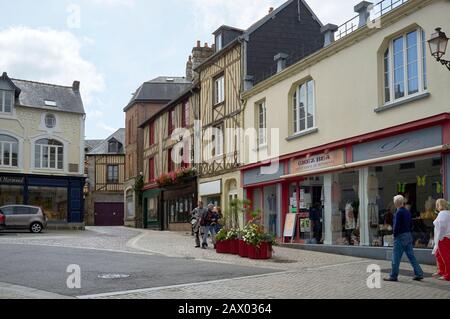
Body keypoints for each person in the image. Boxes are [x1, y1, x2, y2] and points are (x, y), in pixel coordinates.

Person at [384, 195, 424, 282]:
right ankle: (419, 273)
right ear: (402, 202)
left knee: (396, 257)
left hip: (400, 236)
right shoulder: (407, 211)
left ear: (395, 203)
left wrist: (394, 234)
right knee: (411, 256)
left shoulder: (398, 212)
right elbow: (411, 224)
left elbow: (396, 226)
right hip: (408, 235)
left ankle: (393, 275)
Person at [433, 199, 450, 281]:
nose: (436, 206)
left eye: (437, 204)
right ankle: (441, 271)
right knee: (438, 254)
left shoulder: (442, 214)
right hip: (446, 237)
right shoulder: (448, 213)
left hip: (443, 238)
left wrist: (440, 237)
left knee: (445, 257)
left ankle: (447, 275)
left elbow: (442, 226)